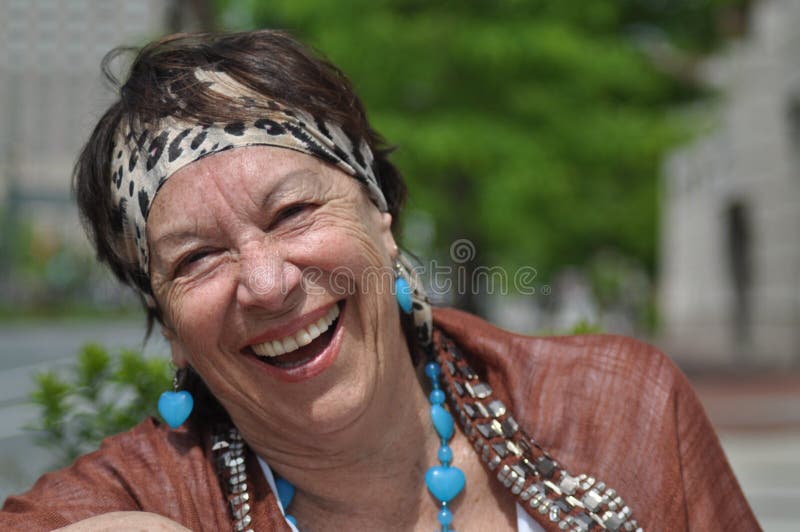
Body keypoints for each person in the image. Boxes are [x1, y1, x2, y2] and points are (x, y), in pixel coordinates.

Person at [1, 30, 758, 531]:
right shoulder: (143, 496)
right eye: (196, 258)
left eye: (292, 211)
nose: (265, 283)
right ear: (168, 322)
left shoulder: (622, 410)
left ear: (380, 216)